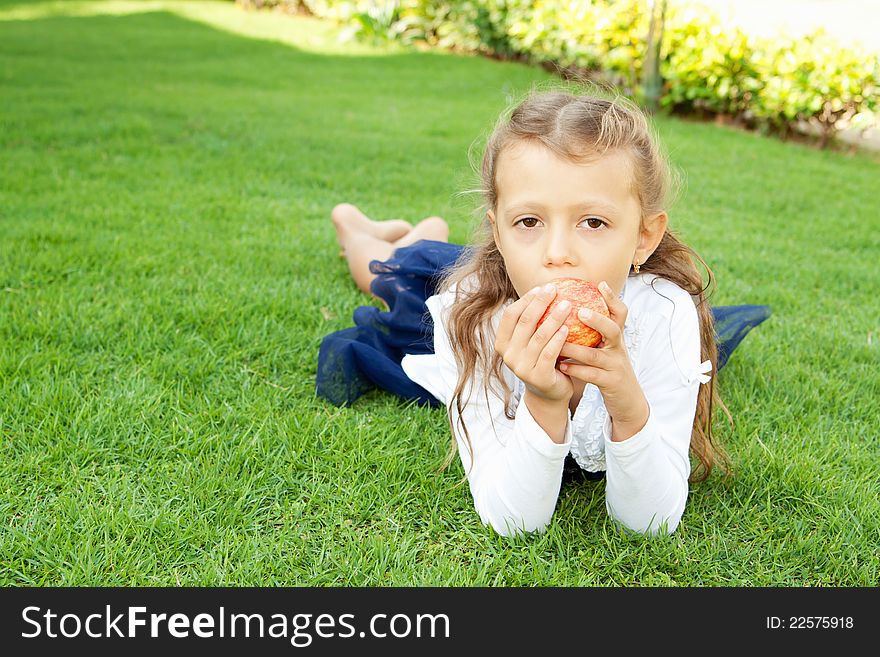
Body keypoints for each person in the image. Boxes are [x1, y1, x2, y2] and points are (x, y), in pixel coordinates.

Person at [316, 85, 772, 537]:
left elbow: (650, 525)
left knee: (419, 258)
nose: (557, 253)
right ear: (498, 232)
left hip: (520, 277)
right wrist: (544, 399)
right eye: (528, 222)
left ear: (643, 237)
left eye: (593, 222)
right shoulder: (471, 318)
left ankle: (421, 235)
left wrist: (628, 405)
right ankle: (357, 233)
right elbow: (513, 521)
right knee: (392, 281)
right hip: (491, 291)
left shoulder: (663, 313)